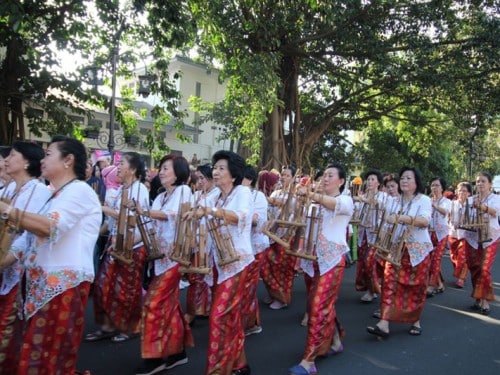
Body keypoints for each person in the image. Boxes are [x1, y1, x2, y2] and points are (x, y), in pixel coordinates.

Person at [0, 136, 102, 374]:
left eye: (48, 154)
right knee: (38, 354)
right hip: (42, 286)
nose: (42, 161)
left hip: (63, 286)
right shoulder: (54, 194)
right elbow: (27, 238)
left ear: (68, 160)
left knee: (50, 356)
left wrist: (8, 211)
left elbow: (49, 227)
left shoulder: (79, 191)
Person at [191, 150, 254, 375]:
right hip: (220, 262)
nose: (215, 172)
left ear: (233, 175)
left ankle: (218, 370)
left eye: (220, 169)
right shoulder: (216, 194)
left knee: (218, 316)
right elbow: (197, 209)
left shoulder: (242, 193)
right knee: (230, 316)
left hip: (238, 262)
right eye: (214, 168)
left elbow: (240, 216)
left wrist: (211, 211)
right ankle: (240, 364)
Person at [288, 163, 353, 375]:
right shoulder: (314, 203)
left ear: (341, 181)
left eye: (330, 175)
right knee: (320, 303)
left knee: (317, 306)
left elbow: (332, 204)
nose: (325, 178)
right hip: (313, 259)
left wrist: (312, 195)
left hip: (333, 261)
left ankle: (309, 360)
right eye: (324, 175)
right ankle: (334, 340)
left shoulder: (345, 200)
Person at [134, 154, 194, 375]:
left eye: (166, 168)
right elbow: (150, 228)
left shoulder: (183, 192)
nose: (161, 171)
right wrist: (129, 244)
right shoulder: (160, 196)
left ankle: (155, 357)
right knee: (168, 305)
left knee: (152, 303)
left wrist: (144, 211)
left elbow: (172, 215)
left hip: (175, 258)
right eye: (161, 168)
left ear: (178, 172)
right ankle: (177, 352)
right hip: (160, 259)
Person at [0, 142, 52, 374]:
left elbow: (28, 234)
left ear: (27, 162)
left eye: (12, 155)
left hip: (19, 270)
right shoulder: (10, 189)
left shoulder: (38, 190)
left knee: (8, 327)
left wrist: (6, 259)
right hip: (6, 265)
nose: (6, 160)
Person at [87, 152, 150, 343]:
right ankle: (108, 325)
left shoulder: (139, 190)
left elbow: (138, 221)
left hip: (132, 247)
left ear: (132, 169)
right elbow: (112, 221)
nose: (118, 167)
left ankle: (131, 327)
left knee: (126, 290)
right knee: (102, 285)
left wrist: (106, 210)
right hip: (114, 245)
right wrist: (96, 234)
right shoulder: (122, 189)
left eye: (121, 163)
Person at [367, 166, 433, 338]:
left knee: (416, 287)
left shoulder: (423, 200)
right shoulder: (393, 201)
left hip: (417, 251)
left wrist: (402, 218)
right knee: (389, 283)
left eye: (408, 178)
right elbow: (385, 221)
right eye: (402, 178)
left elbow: (425, 221)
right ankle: (384, 323)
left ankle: (415, 320)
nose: (404, 181)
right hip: (395, 249)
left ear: (416, 182)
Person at [184, 164, 219, 326]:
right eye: (197, 178)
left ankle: (198, 310)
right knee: (195, 276)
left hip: (210, 241)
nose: (199, 181)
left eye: (202, 178)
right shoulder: (196, 194)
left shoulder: (217, 194)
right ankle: (197, 309)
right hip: (195, 239)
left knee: (203, 276)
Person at [261, 165, 297, 310]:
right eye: (282, 174)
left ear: (294, 178)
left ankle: (282, 298)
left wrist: (267, 200)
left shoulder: (296, 195)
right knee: (266, 265)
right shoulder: (276, 192)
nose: (283, 177)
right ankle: (273, 292)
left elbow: (287, 205)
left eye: (287, 175)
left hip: (286, 237)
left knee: (283, 268)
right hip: (272, 235)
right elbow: (269, 211)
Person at [464, 172, 499, 315]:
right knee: (474, 268)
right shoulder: (471, 199)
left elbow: (495, 212)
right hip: (472, 238)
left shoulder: (496, 198)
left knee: (484, 269)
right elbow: (465, 216)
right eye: (478, 181)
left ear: (490, 184)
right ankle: (477, 299)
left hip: (490, 237)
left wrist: (482, 207)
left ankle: (484, 300)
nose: (480, 184)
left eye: (483, 181)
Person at [241, 164, 269, 336]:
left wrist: (232, 216)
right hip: (241, 249)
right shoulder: (233, 195)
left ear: (249, 180)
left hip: (255, 248)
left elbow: (255, 221)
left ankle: (250, 323)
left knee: (248, 288)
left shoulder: (258, 196)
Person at [354, 169, 386, 303]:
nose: (370, 182)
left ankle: (374, 289)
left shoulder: (383, 196)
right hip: (363, 233)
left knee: (369, 261)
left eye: (373, 179)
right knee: (363, 262)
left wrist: (368, 200)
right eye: (369, 179)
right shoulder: (363, 195)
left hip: (376, 234)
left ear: (378, 183)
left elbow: (382, 207)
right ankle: (369, 288)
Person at [427, 177, 451, 296]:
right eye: (432, 185)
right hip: (429, 234)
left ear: (442, 188)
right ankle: (440, 284)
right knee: (429, 259)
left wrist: (434, 205)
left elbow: (445, 212)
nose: (434, 188)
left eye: (437, 185)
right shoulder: (427, 200)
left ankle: (431, 285)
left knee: (436, 258)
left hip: (441, 234)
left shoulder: (446, 201)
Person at [448, 182, 472, 288]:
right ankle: (459, 273)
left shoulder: (472, 205)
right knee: (454, 256)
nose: (462, 193)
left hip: (466, 234)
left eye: (464, 191)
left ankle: (461, 278)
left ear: (469, 193)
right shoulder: (452, 203)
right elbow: (447, 215)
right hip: (453, 232)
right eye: (460, 190)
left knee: (463, 256)